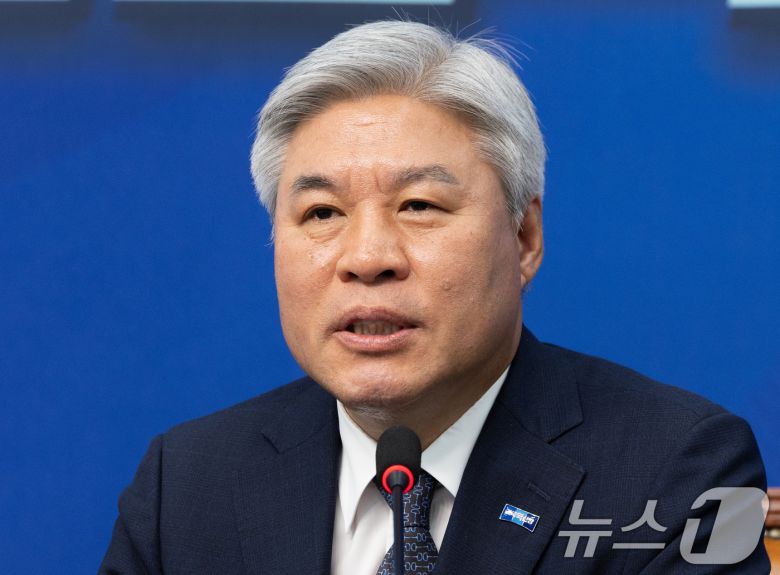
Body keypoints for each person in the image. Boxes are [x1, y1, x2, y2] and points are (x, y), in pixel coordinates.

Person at [100, 21, 769, 574]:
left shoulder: (681, 469)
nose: (367, 259)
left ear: (525, 237)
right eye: (322, 213)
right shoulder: (186, 486)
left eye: (419, 205)